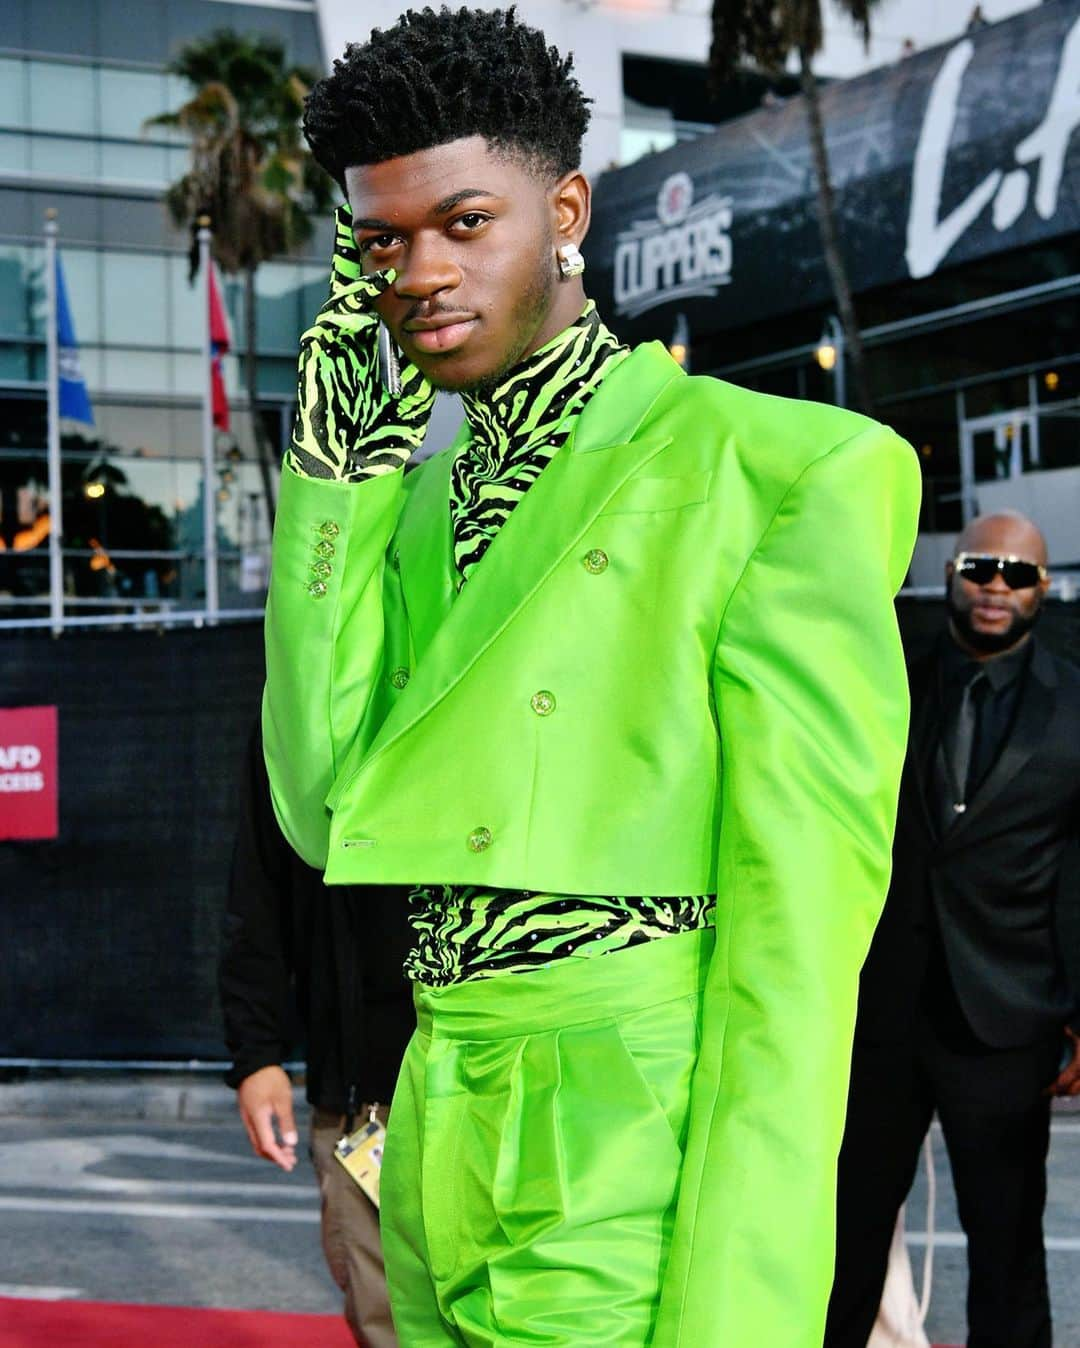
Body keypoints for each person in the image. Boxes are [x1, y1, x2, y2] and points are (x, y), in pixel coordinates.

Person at [262, 7, 921, 1343]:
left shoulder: (783, 473)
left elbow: (796, 955)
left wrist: (739, 1307)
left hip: (625, 1118)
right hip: (439, 1099)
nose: (420, 277)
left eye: (463, 222)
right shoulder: (411, 504)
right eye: (382, 243)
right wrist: (336, 484)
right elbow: (327, 805)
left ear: (564, 208)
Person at [826, 512, 1080, 1348]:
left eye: (1018, 573)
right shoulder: (887, 672)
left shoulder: (1072, 702)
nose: (996, 586)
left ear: (1045, 587)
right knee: (844, 1236)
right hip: (880, 1014)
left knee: (1007, 1254)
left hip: (1005, 1024)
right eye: (981, 567)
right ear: (952, 572)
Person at [220, 720, 415, 1348]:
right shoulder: (299, 701)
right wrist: (257, 1055)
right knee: (384, 1319)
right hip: (364, 1097)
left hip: (507, 1066)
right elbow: (259, 884)